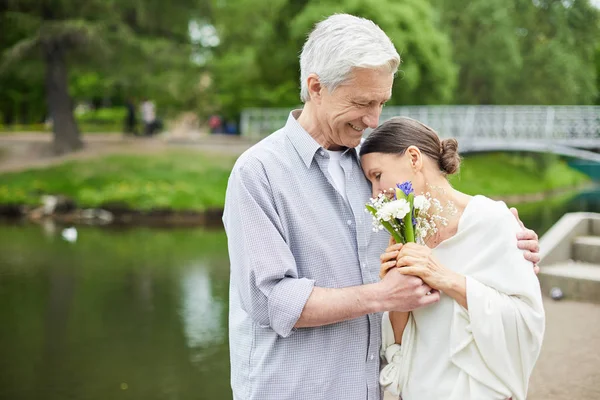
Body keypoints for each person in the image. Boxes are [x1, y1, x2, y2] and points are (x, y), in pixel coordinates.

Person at [222, 14, 540, 400]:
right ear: (316, 86)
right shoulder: (258, 173)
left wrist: (503, 235)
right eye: (362, 102)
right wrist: (383, 295)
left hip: (373, 388)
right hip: (294, 388)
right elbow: (272, 301)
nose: (373, 120)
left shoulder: (373, 168)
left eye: (381, 102)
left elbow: (444, 227)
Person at [360, 117, 545, 400]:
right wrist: (393, 291)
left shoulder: (493, 221)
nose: (375, 193)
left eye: (377, 176)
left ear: (413, 158)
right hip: (419, 390)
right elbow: (398, 340)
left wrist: (444, 278)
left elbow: (526, 321)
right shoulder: (403, 234)